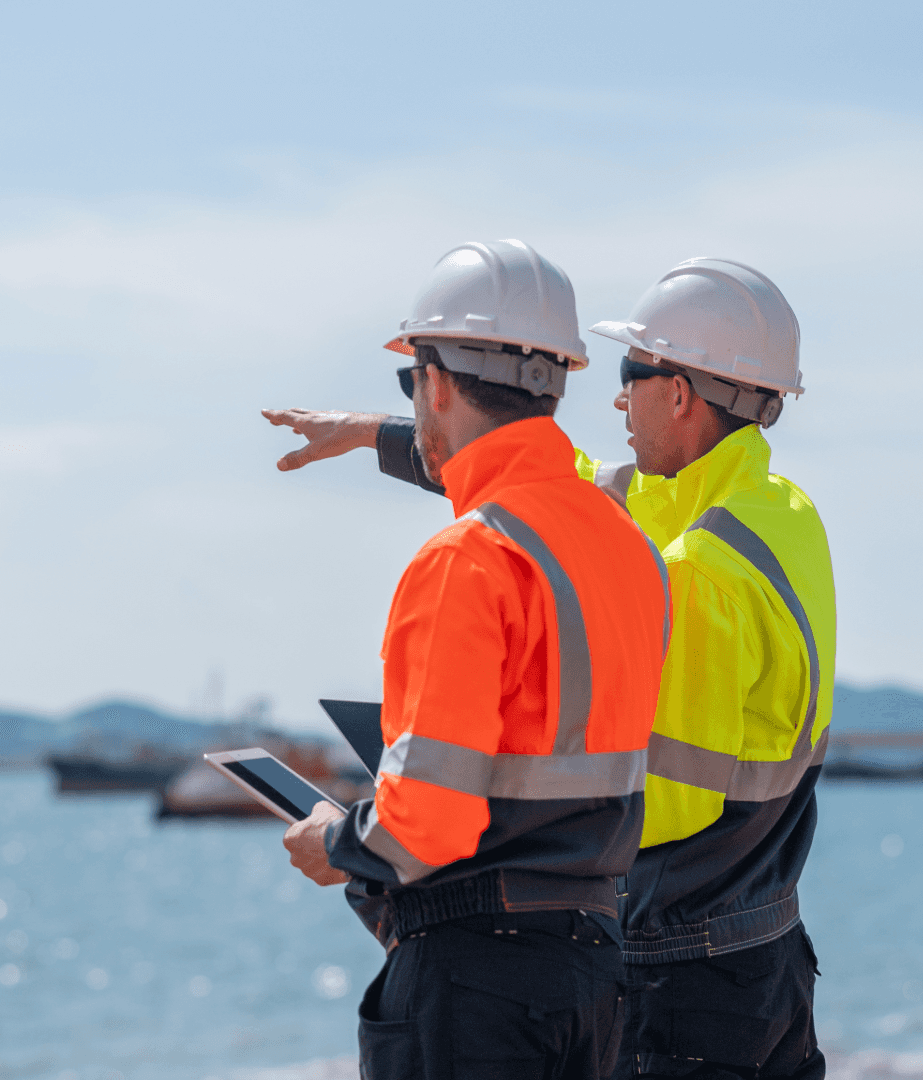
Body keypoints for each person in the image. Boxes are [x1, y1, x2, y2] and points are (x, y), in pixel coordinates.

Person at [267, 258, 834, 1080]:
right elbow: (554, 487)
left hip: (683, 977)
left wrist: (399, 825)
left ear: (677, 394)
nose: (615, 399)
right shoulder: (775, 515)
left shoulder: (696, 574)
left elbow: (650, 801)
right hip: (758, 953)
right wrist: (381, 432)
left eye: (631, 374)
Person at [278, 239, 671, 1080]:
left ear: (439, 382)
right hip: (593, 972)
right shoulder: (626, 545)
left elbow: (427, 821)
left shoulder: (466, 558)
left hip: (475, 984)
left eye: (410, 380)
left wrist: (334, 839)